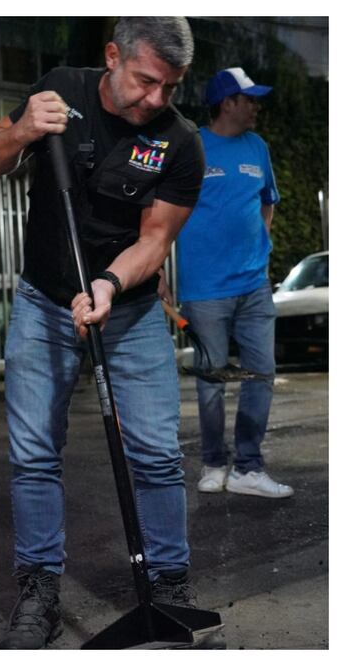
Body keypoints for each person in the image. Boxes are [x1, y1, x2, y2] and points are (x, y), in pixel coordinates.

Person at [0, 17, 205, 648]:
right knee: (33, 453)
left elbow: (155, 240)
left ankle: (168, 587)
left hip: (127, 310)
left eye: (171, 86)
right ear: (113, 57)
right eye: (145, 81)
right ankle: (39, 592)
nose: (156, 99)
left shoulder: (180, 143)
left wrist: (107, 283)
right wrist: (23, 128)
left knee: (156, 453)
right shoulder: (58, 90)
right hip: (42, 303)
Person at [176, 68, 292, 499]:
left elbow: (268, 202)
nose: (256, 106)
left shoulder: (257, 147)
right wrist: (158, 273)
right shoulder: (194, 148)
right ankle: (212, 462)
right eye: (250, 100)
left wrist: (260, 254)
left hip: (254, 287)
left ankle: (248, 467)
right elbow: (166, 213)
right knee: (212, 381)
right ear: (228, 103)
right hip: (204, 289)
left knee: (261, 373)